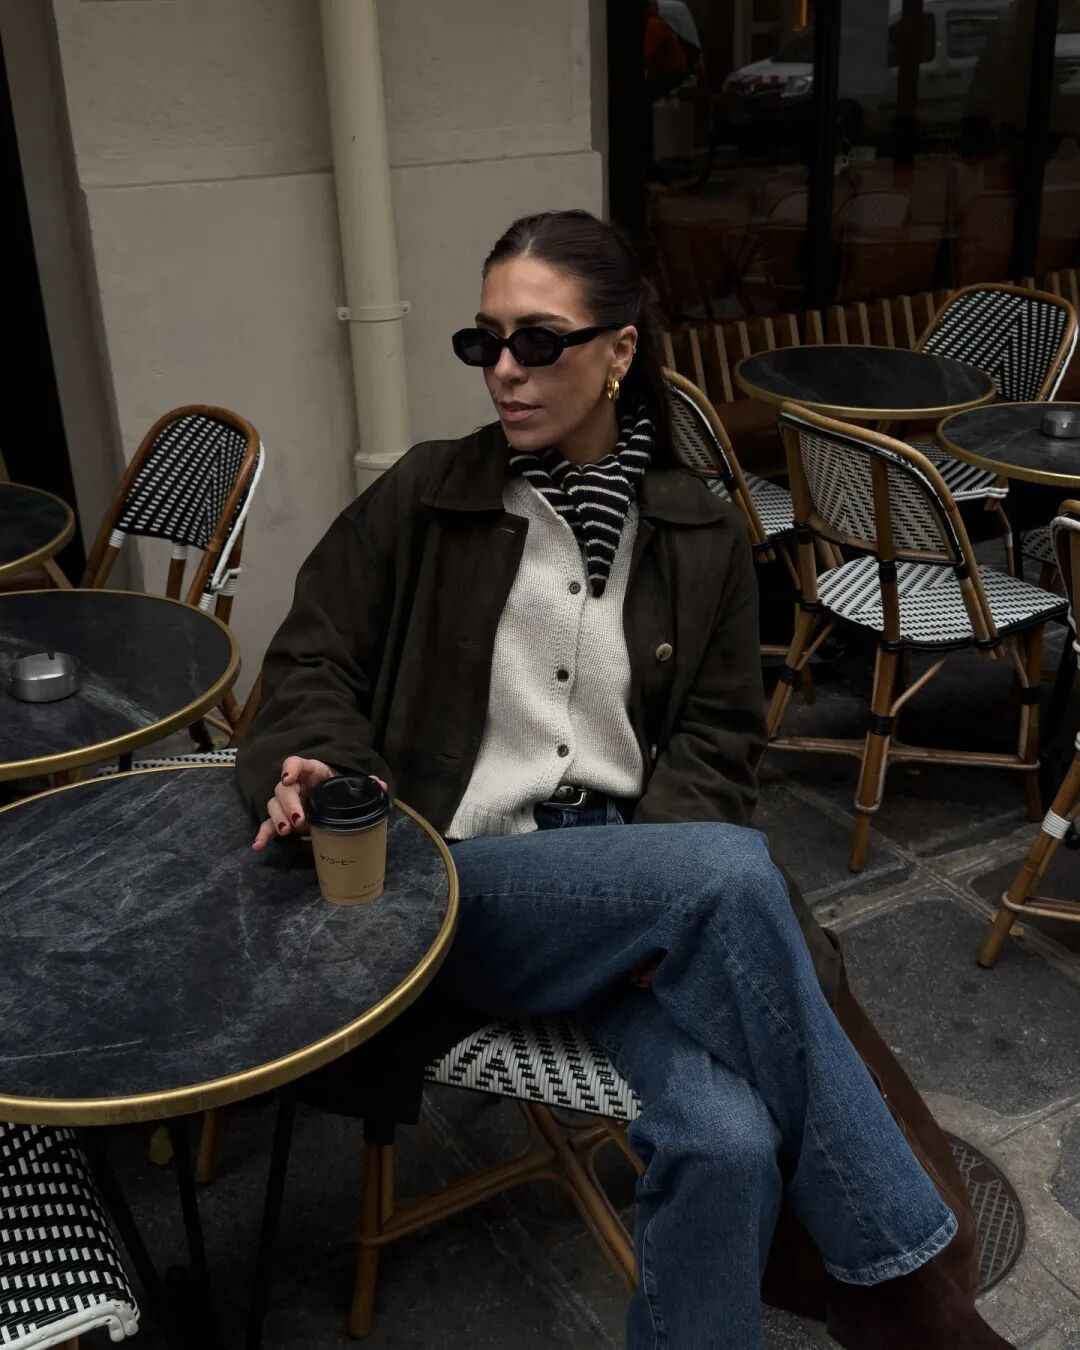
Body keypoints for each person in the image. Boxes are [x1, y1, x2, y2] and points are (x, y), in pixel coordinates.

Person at [236, 209, 1012, 1350]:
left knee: (725, 1139)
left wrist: (649, 889)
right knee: (727, 878)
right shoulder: (430, 494)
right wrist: (320, 761)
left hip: (633, 895)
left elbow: (720, 741)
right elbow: (309, 659)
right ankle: (913, 1292)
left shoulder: (700, 535)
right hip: (455, 883)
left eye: (538, 341)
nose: (505, 370)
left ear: (619, 350)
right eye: (486, 341)